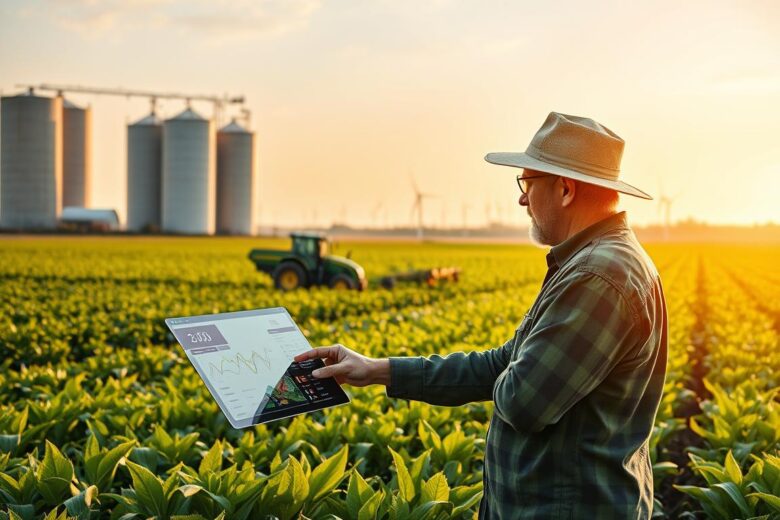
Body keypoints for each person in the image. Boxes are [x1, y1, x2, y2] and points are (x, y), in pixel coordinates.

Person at [294, 112, 668, 519]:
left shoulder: (599, 276)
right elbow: (502, 364)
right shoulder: (591, 263)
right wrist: (378, 369)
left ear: (564, 189)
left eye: (527, 183)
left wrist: (514, 369)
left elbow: (523, 401)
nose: (522, 199)